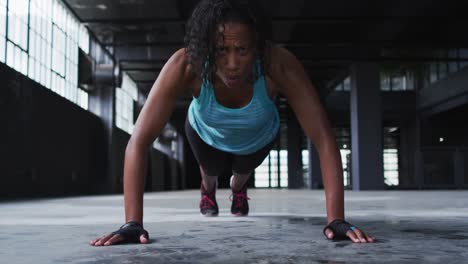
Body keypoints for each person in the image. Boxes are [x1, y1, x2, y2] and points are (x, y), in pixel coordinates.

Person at [89, 0, 375, 246]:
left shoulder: (278, 63)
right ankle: (208, 191)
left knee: (242, 171)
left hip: (258, 137)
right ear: (206, 47)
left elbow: (323, 137)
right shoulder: (186, 65)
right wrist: (132, 223)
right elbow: (138, 142)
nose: (232, 63)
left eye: (243, 50)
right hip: (204, 134)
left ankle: (239, 190)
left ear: (258, 47)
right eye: (221, 50)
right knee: (210, 171)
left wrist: (336, 219)